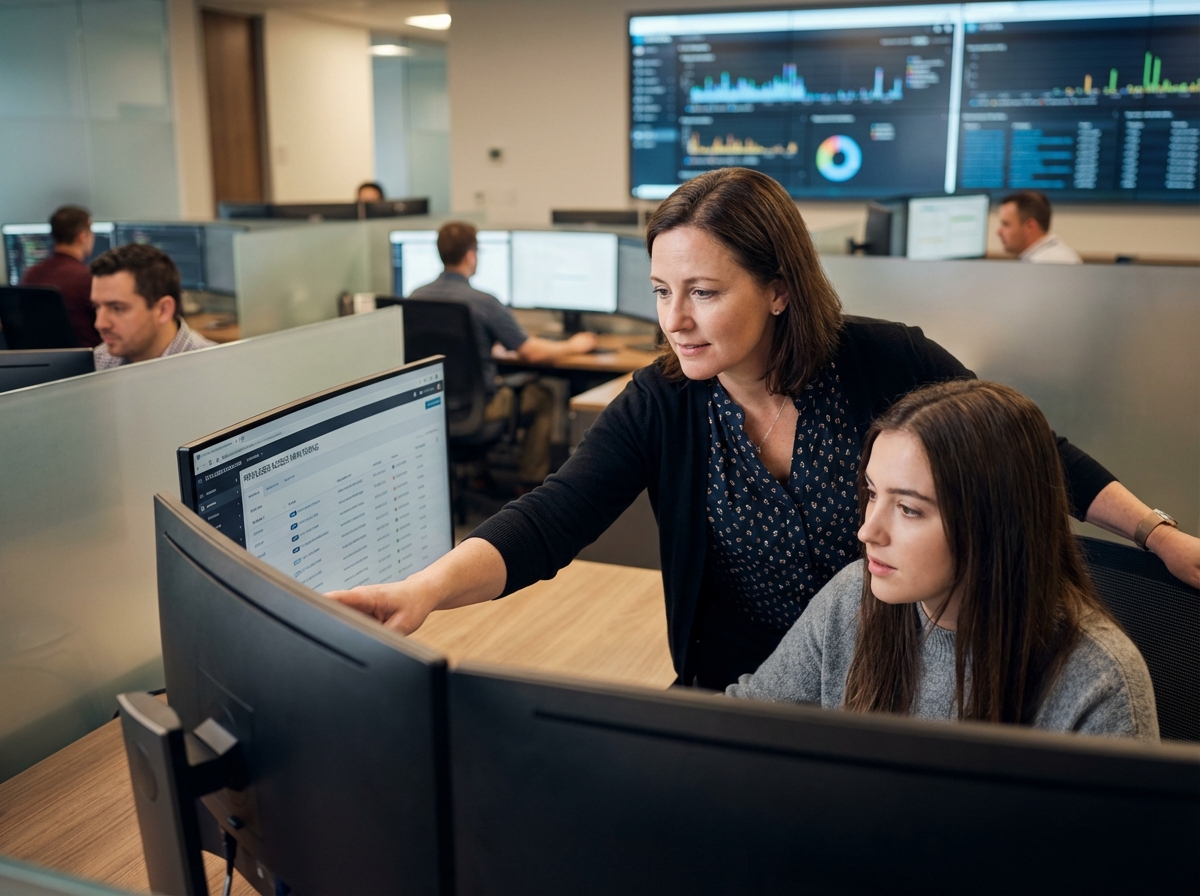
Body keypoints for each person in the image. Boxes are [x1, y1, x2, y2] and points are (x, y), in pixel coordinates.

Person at [329, 168, 1200, 690]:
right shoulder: (665, 401)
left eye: (705, 292)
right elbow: (554, 514)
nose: (677, 319)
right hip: (739, 690)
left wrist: (1157, 534)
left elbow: (1030, 453)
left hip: (889, 688)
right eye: (664, 292)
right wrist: (426, 591)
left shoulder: (881, 362)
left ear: (779, 287)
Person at [728, 380, 1158, 740]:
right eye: (873, 494)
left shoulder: (1098, 680)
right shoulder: (852, 597)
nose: (867, 532)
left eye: (909, 509)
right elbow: (738, 727)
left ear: (995, 523)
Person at [407, 221, 597, 488]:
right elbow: (532, 353)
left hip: (431, 406)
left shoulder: (415, 296)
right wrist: (574, 346)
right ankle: (529, 485)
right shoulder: (483, 302)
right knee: (543, 397)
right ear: (471, 256)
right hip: (478, 408)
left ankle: (477, 475)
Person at [90, 243, 215, 370]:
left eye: (117, 308)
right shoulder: (96, 364)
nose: (100, 324)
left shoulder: (216, 369)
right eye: (97, 307)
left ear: (163, 310)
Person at [19, 205, 100, 347]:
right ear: (82, 236)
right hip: (88, 362)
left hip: (42, 361)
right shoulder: (87, 278)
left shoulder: (30, 275)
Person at [996, 191, 1082, 264]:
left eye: (1006, 224)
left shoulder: (1050, 263)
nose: (998, 232)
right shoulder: (1046, 258)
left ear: (1030, 227)